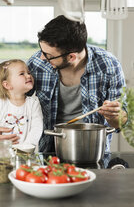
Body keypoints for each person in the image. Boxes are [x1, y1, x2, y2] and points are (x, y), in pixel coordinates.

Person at [27, 15, 127, 153]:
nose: (42, 57)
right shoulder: (36, 64)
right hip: (48, 150)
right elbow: (16, 99)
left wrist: (115, 116)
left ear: (71, 57)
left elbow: (122, 121)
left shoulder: (109, 65)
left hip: (92, 151)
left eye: (48, 54)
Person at [0, 59, 43, 152]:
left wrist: (26, 148)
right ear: (7, 85)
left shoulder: (33, 103)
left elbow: (37, 128)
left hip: (24, 154)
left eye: (28, 72)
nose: (29, 75)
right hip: (1, 154)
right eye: (22, 74)